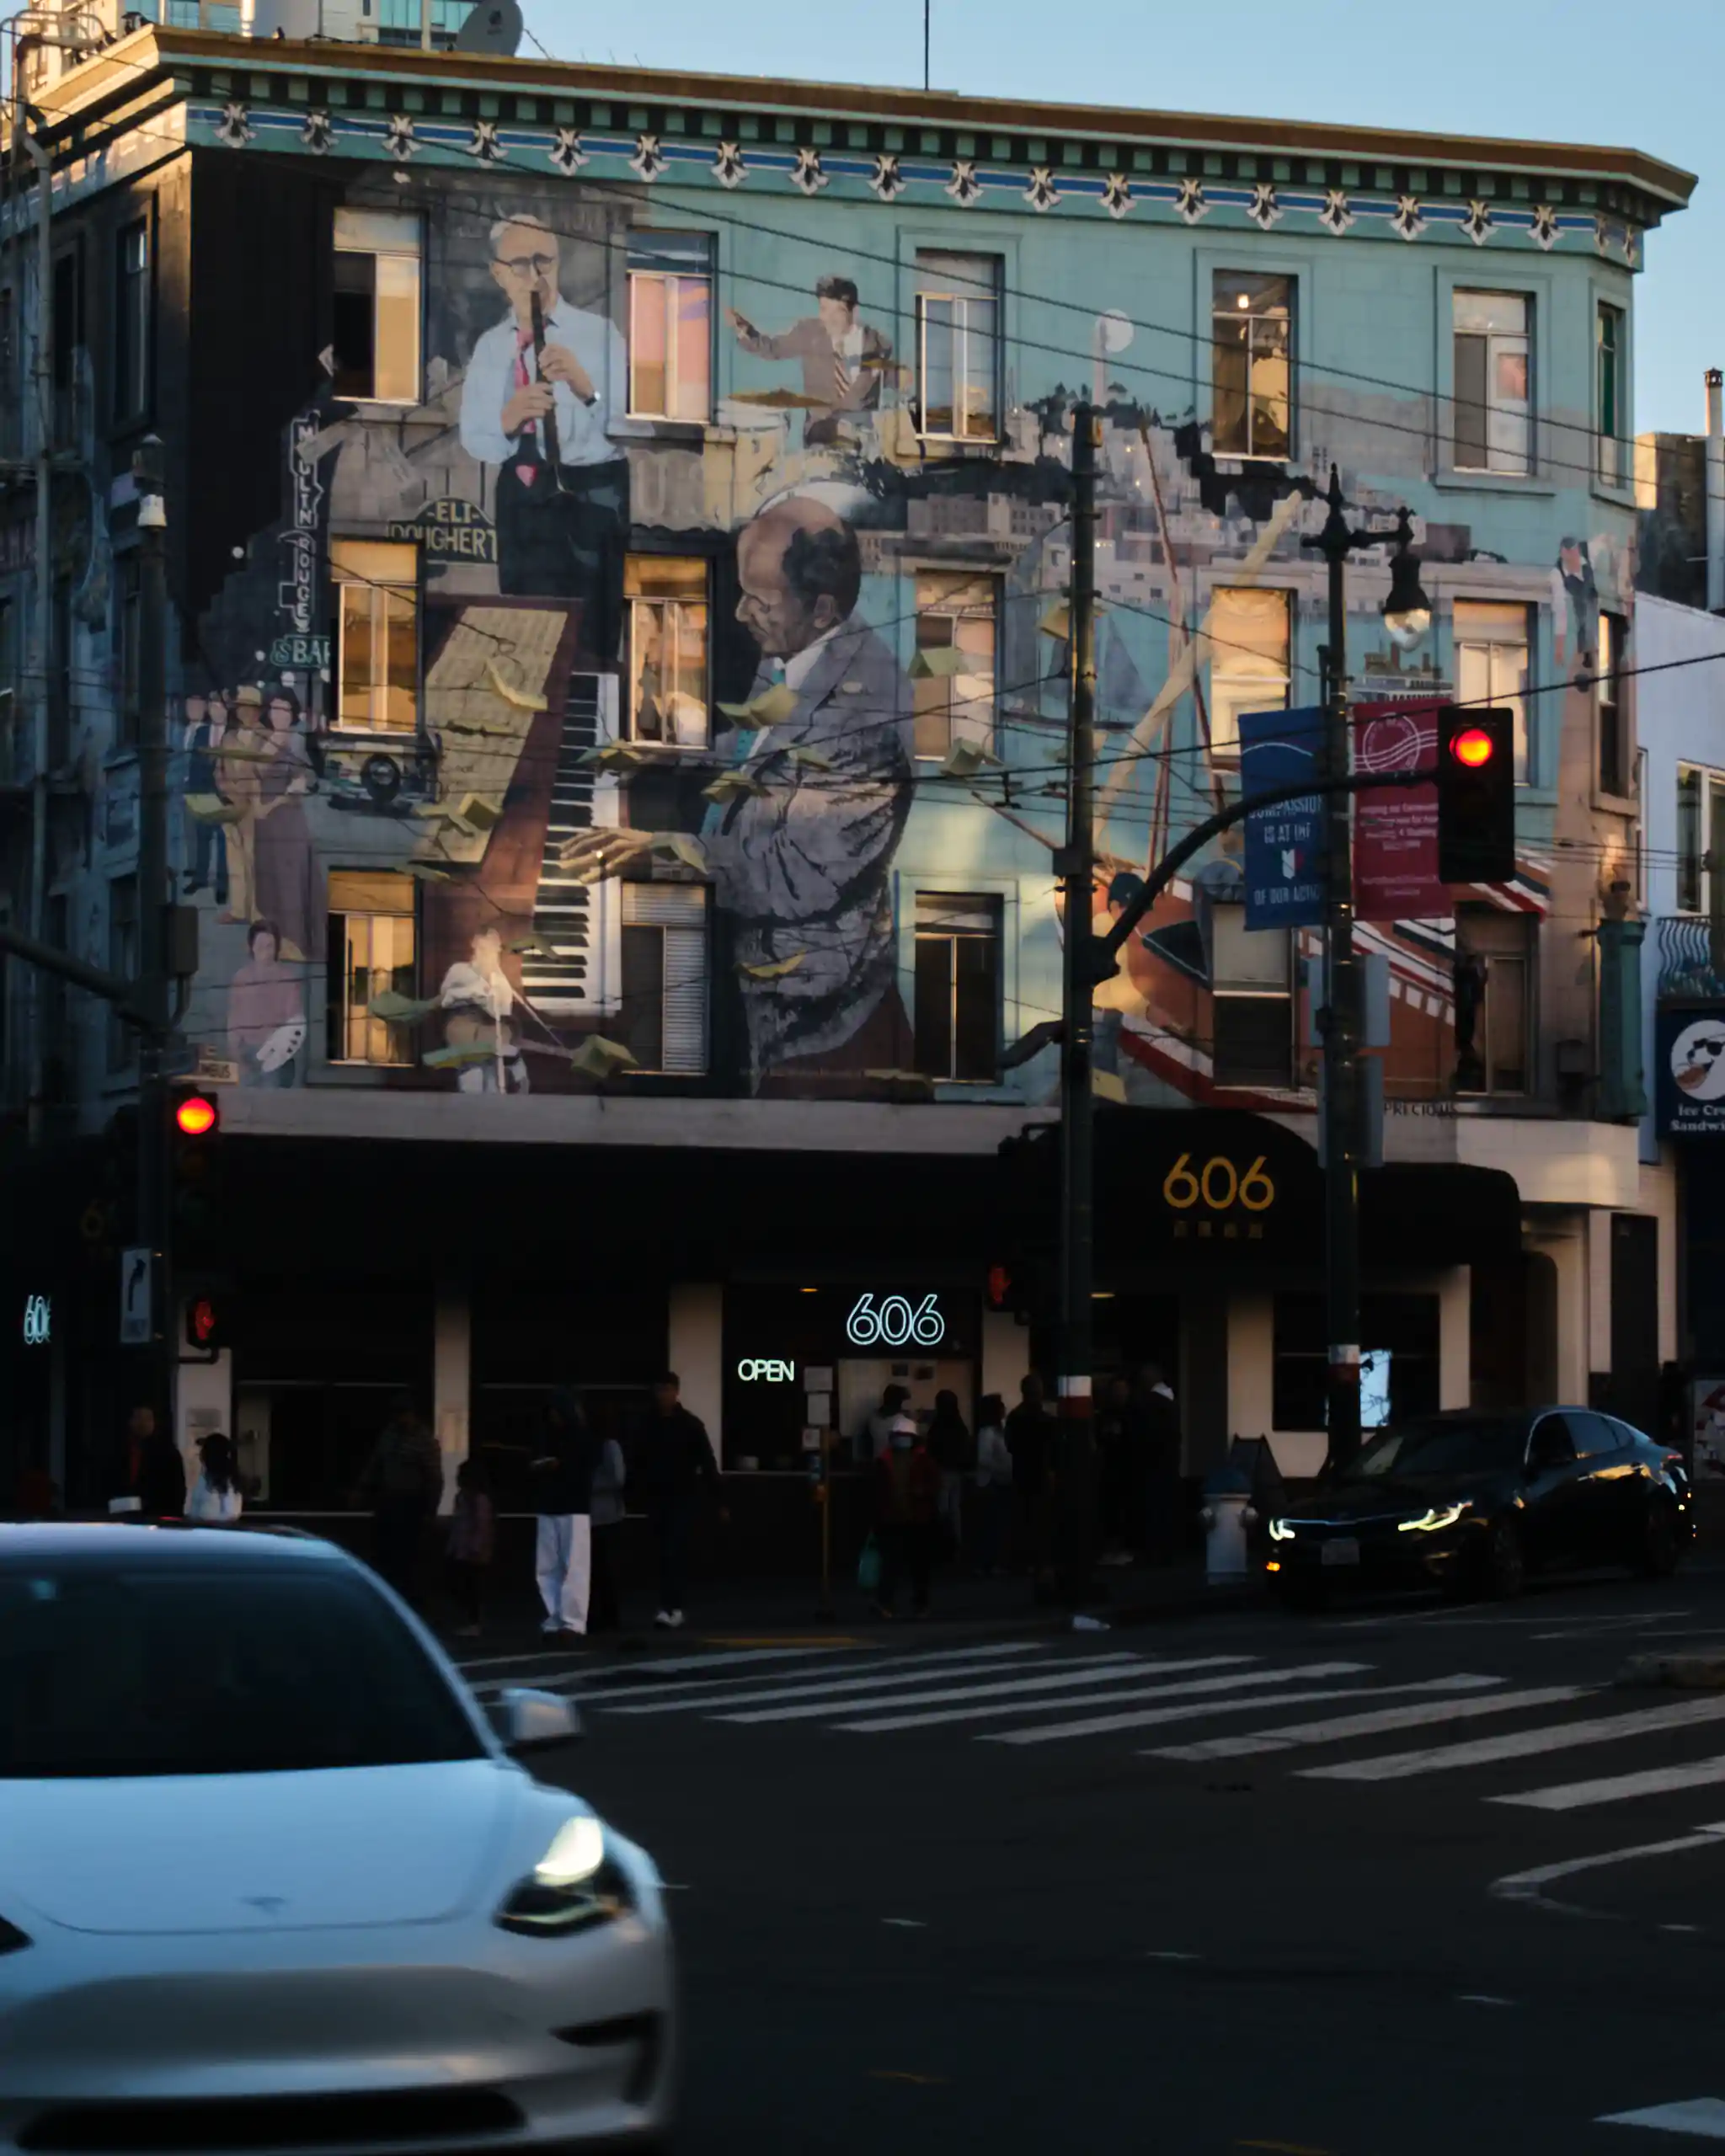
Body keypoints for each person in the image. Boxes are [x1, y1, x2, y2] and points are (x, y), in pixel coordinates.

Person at [558, 499, 912, 1089]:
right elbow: (763, 748)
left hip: (815, 1027)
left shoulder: (866, 717)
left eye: (761, 600)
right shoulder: (798, 652)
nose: (742, 611)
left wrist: (662, 850)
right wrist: (676, 750)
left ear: (822, 608)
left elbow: (795, 876)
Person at [458, 213, 629, 657]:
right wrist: (507, 420)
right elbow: (474, 438)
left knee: (593, 629)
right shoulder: (492, 347)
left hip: (592, 491)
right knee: (525, 622)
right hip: (524, 490)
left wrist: (583, 386)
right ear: (498, 273)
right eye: (520, 264)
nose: (535, 276)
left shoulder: (598, 333)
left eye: (544, 261)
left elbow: (624, 427)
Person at [727, 275, 895, 447]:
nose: (829, 318)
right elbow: (774, 348)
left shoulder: (878, 345)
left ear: (854, 311)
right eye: (823, 309)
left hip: (862, 445)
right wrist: (746, 331)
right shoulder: (809, 333)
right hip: (819, 440)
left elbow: (894, 386)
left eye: (837, 311)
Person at [636, 1372, 724, 1629]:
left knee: (673, 1551)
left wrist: (718, 1498)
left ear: (676, 1392)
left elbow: (707, 1462)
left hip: (682, 1496)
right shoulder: (647, 1424)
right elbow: (638, 1459)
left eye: (667, 1390)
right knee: (662, 1553)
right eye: (659, 1390)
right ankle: (668, 1606)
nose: (662, 1395)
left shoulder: (690, 1425)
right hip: (657, 1496)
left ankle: (672, 1606)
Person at [355, 1395, 443, 1607]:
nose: (400, 1419)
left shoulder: (424, 1440)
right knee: (385, 1550)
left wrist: (431, 1510)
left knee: (408, 1553)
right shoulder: (389, 1435)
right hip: (388, 1498)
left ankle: (411, 1599)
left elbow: (434, 1477)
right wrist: (361, 1488)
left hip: (412, 1501)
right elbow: (375, 1463)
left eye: (403, 1414)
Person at [530, 1388, 597, 1639]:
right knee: (553, 1564)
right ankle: (559, 1617)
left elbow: (586, 1464)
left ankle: (571, 1621)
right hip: (559, 1504)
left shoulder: (578, 1438)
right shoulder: (560, 1437)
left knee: (570, 1564)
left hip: (569, 1505)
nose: (554, 1417)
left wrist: (556, 1465)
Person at [439, 927, 531, 1095]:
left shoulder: (500, 982)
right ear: (475, 947)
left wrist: (493, 988)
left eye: (491, 951)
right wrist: (476, 992)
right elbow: (446, 997)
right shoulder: (459, 970)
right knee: (474, 1072)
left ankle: (510, 1087)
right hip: (463, 1026)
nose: (485, 955)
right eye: (482, 949)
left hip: (488, 1031)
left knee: (494, 1074)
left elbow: (503, 1013)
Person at [873, 1410, 939, 1619]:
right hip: (893, 1518)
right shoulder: (884, 1461)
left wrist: (923, 1492)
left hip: (916, 1518)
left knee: (918, 1566)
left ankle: (919, 1603)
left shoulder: (922, 1460)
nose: (902, 1440)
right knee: (892, 1564)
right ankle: (887, 1603)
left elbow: (935, 1484)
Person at [227, 920, 305, 1086]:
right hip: (246, 1055)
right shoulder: (241, 978)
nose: (266, 951)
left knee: (271, 1106)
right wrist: (236, 1054)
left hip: (275, 1055)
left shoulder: (288, 980)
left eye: (270, 946)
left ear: (277, 948)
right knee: (246, 1105)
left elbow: (294, 1022)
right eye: (261, 945)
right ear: (251, 946)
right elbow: (234, 1018)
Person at [1004, 1373, 1057, 1599]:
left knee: (1024, 1519)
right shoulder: (1045, 1420)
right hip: (1041, 1475)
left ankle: (1023, 1561)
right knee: (1041, 1521)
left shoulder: (1016, 1417)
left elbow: (1010, 1445)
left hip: (1022, 1473)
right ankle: (1041, 1563)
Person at [181, 691, 230, 905]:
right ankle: (200, 878)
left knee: (223, 841)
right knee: (202, 838)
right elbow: (194, 765)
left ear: (227, 709)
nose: (216, 710)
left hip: (225, 796)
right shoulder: (201, 732)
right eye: (212, 706)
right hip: (202, 793)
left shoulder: (234, 735)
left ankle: (222, 886)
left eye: (220, 706)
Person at [1136, 1362, 1183, 1564]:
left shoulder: (1149, 1403)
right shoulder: (1170, 1401)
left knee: (1154, 1508)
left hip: (1154, 1463)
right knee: (1165, 1508)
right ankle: (1166, 1551)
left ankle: (1155, 1552)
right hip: (1169, 1462)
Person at [446, 1455, 495, 1639]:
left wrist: (475, 1548)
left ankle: (475, 1623)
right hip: (462, 1549)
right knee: (464, 1586)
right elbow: (457, 1524)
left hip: (474, 1552)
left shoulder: (478, 1499)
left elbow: (482, 1525)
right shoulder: (462, 1497)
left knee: (473, 1587)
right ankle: (470, 1621)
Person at [115, 1404, 185, 1519]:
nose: (143, 1423)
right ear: (130, 1422)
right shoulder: (120, 1451)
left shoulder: (167, 1452)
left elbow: (177, 1491)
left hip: (157, 1517)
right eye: (138, 1418)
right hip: (122, 1517)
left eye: (148, 1419)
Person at [589, 1429, 628, 1633]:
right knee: (599, 1569)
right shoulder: (603, 1447)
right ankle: (601, 1615)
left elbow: (618, 1478)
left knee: (605, 1569)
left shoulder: (608, 1447)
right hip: (597, 1516)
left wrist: (589, 1484)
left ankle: (608, 1615)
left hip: (606, 1516)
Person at [1097, 1373, 1136, 1566]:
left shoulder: (1133, 1415)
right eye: (1116, 1391)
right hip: (1109, 1469)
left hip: (1127, 1469)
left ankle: (1124, 1548)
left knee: (1123, 1510)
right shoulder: (1105, 1415)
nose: (1119, 1395)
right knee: (1110, 1510)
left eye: (1122, 1391)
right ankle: (1110, 1549)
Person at [926, 1389, 971, 1557]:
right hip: (956, 1472)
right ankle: (955, 1547)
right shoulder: (959, 1424)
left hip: (941, 1471)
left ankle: (942, 1546)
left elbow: (931, 1447)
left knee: (942, 1509)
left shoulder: (938, 1425)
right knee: (955, 1511)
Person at [971, 1393, 1012, 1577]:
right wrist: (1002, 1470)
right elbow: (984, 1459)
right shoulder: (987, 1433)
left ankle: (993, 1562)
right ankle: (986, 1563)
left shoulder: (1001, 1430)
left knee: (996, 1525)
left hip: (1001, 1482)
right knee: (990, 1526)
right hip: (990, 1483)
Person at [184, 1432, 243, 1524]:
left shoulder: (227, 1479)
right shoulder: (205, 1476)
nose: (201, 1453)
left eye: (204, 1450)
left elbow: (230, 1513)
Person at [863, 1382, 910, 1465]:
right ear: (899, 1403)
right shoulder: (902, 1422)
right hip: (893, 1468)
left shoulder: (873, 1418)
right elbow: (903, 1453)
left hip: (876, 1465)